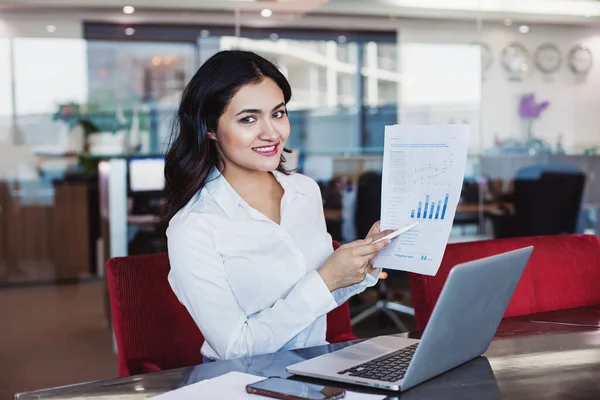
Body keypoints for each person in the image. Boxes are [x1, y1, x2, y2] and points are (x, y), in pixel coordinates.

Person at [161, 50, 392, 362]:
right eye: (249, 119)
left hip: (314, 372)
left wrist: (364, 262)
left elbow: (321, 296)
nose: (271, 133)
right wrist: (325, 278)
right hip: (238, 382)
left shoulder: (305, 191)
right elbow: (235, 348)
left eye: (278, 113)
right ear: (210, 128)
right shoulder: (194, 226)